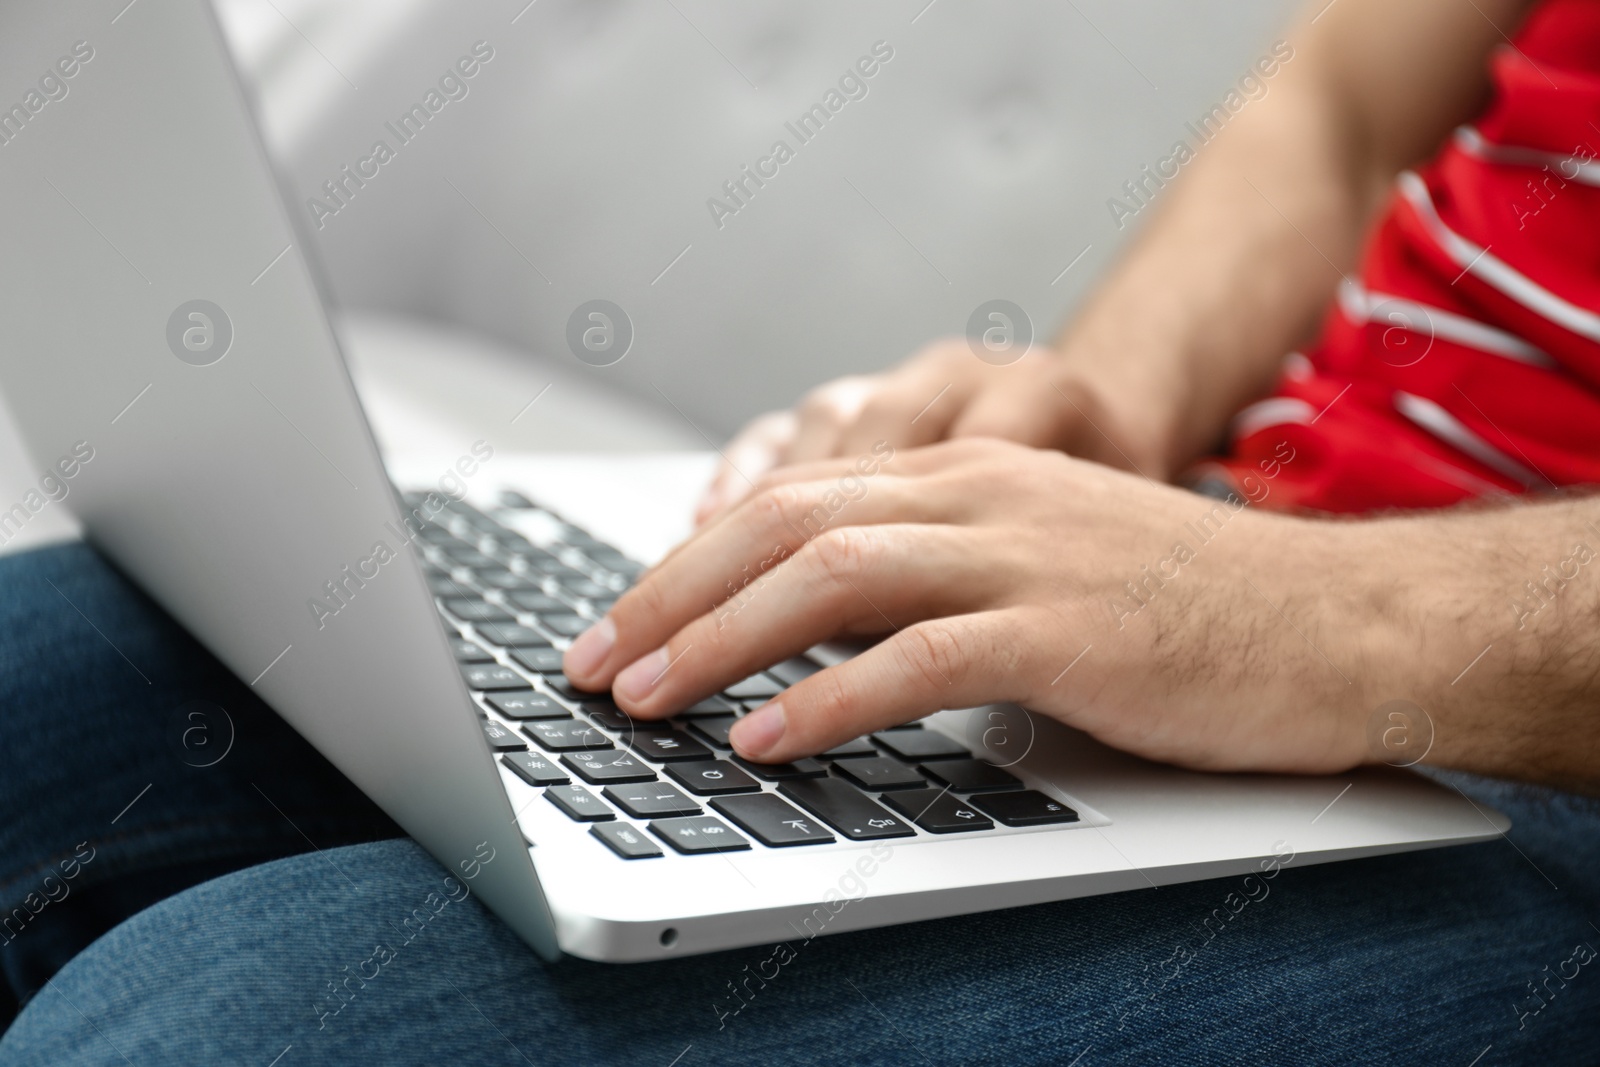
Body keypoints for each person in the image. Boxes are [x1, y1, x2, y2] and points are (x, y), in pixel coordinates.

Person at [1, 0, 1596, 1062]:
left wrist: (1341, 624)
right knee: (32, 697)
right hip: (1243, 536)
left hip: (1535, 729)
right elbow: (1345, 102)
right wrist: (1106, 408)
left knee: (207, 1030)